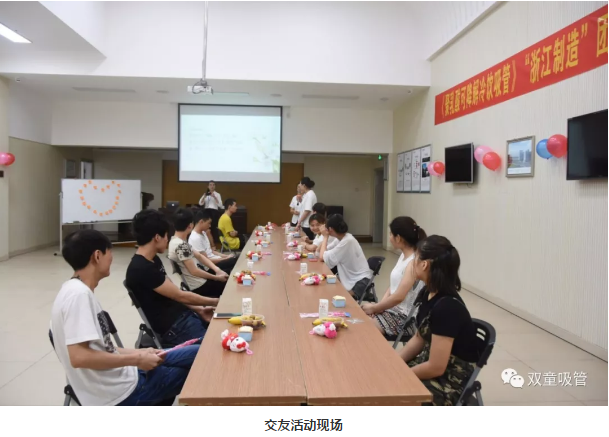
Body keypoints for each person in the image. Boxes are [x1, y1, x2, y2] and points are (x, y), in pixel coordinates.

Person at [51, 229, 200, 406]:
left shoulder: (72, 290)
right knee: (199, 364)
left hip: (125, 377)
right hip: (121, 393)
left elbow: (103, 348)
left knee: (198, 351)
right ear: (97, 256)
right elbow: (79, 357)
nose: (111, 258)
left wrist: (140, 353)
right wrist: (137, 360)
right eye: (109, 252)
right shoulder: (79, 296)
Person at [398, 235, 479, 406]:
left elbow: (436, 367)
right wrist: (394, 364)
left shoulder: (447, 308)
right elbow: (419, 338)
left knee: (389, 393)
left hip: (448, 382)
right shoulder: (428, 293)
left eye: (415, 258)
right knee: (382, 377)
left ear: (424, 264)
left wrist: (402, 375)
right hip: (429, 365)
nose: (412, 263)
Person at [126, 209, 217, 348]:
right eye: (166, 236)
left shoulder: (153, 259)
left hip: (183, 316)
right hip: (174, 327)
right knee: (215, 346)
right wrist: (217, 301)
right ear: (157, 237)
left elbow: (175, 294)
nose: (167, 239)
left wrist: (199, 309)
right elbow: (180, 295)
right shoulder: (141, 268)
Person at [361, 217, 426, 337]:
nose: (389, 237)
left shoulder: (413, 262)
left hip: (404, 318)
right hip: (392, 310)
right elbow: (393, 286)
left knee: (364, 327)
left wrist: (375, 308)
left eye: (391, 234)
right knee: (358, 317)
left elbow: (399, 297)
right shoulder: (403, 256)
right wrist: (379, 307)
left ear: (398, 238)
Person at [169, 208, 229, 298]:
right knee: (231, 281)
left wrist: (218, 270)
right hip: (199, 286)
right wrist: (217, 277)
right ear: (190, 225)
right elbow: (194, 271)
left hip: (199, 282)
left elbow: (199, 256)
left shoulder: (176, 241)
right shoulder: (181, 245)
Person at [319, 214, 373, 300]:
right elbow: (321, 251)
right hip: (351, 278)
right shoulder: (340, 238)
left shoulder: (347, 241)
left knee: (335, 298)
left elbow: (322, 257)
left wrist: (325, 237)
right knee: (326, 287)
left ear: (330, 229)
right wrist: (323, 237)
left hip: (360, 282)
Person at [189, 209, 237, 274]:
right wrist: (226, 259)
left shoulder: (203, 233)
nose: (210, 226)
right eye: (208, 223)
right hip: (210, 267)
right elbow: (206, 261)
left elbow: (211, 251)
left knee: (236, 258)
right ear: (201, 222)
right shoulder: (195, 238)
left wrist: (226, 256)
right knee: (235, 261)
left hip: (215, 261)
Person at [198, 181, 223, 247]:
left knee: (213, 228)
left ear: (215, 186)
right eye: (210, 185)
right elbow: (200, 203)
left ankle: (213, 244)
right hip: (206, 212)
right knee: (206, 229)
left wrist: (215, 197)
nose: (212, 186)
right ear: (208, 186)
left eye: (213, 185)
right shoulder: (205, 194)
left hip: (214, 212)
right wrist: (204, 196)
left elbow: (220, 205)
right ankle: (206, 244)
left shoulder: (217, 194)